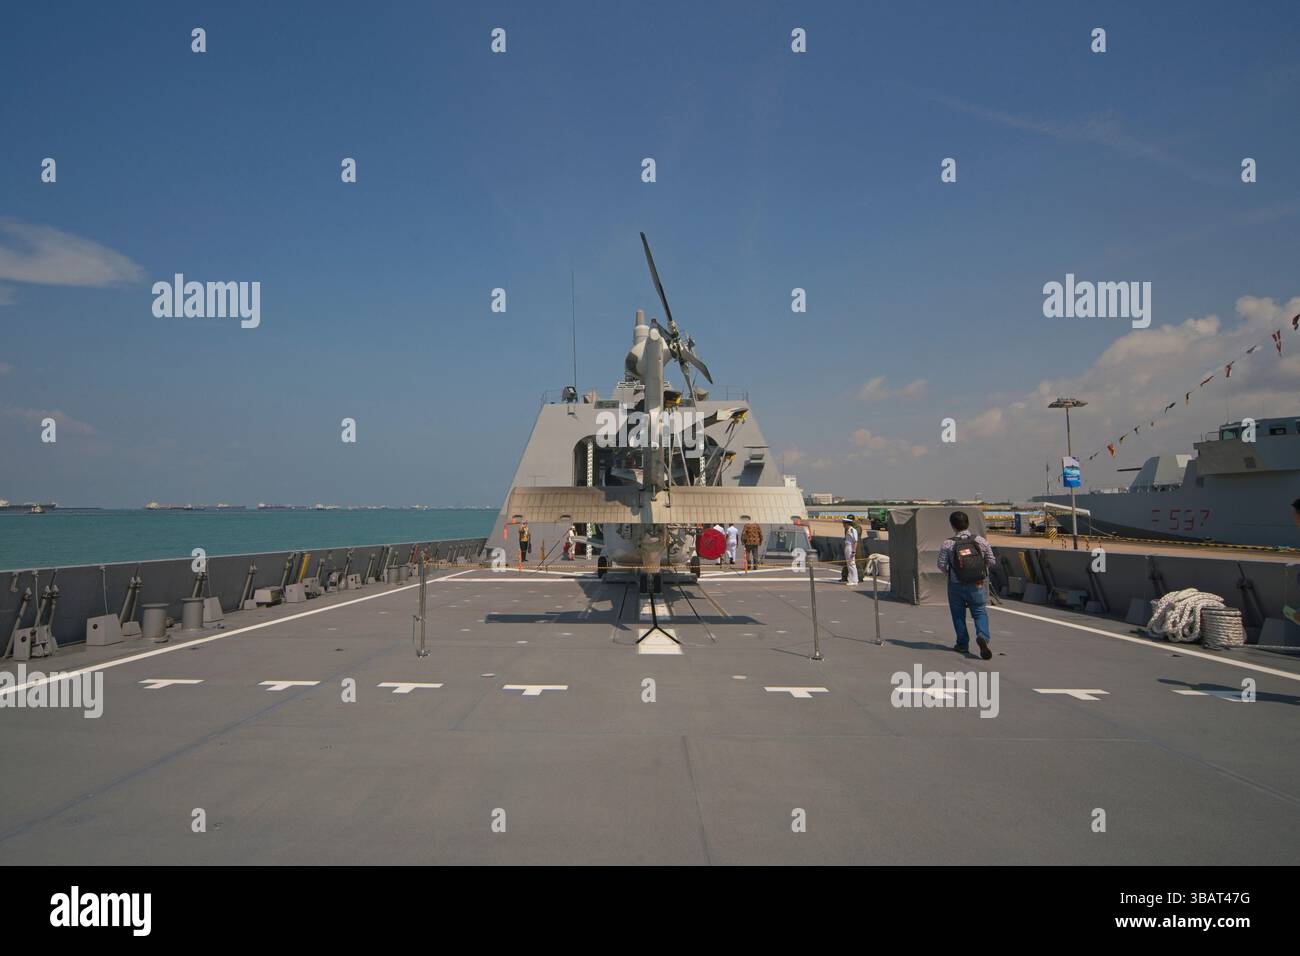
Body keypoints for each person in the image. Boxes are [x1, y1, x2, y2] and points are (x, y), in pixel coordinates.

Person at [937, 510, 996, 659]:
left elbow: (941, 565)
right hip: (976, 583)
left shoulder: (948, 543)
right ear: (967, 523)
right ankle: (983, 636)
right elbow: (991, 560)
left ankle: (962, 644)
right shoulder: (980, 541)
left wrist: (952, 574)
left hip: (956, 585)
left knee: (958, 615)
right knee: (979, 611)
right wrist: (980, 572)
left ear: (953, 525)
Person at [842, 516, 859, 586]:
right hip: (847, 547)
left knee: (852, 564)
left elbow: (855, 541)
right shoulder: (848, 530)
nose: (843, 525)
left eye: (844, 524)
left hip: (850, 547)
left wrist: (853, 551)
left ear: (847, 524)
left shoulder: (853, 530)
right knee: (849, 564)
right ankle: (851, 579)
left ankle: (855, 580)